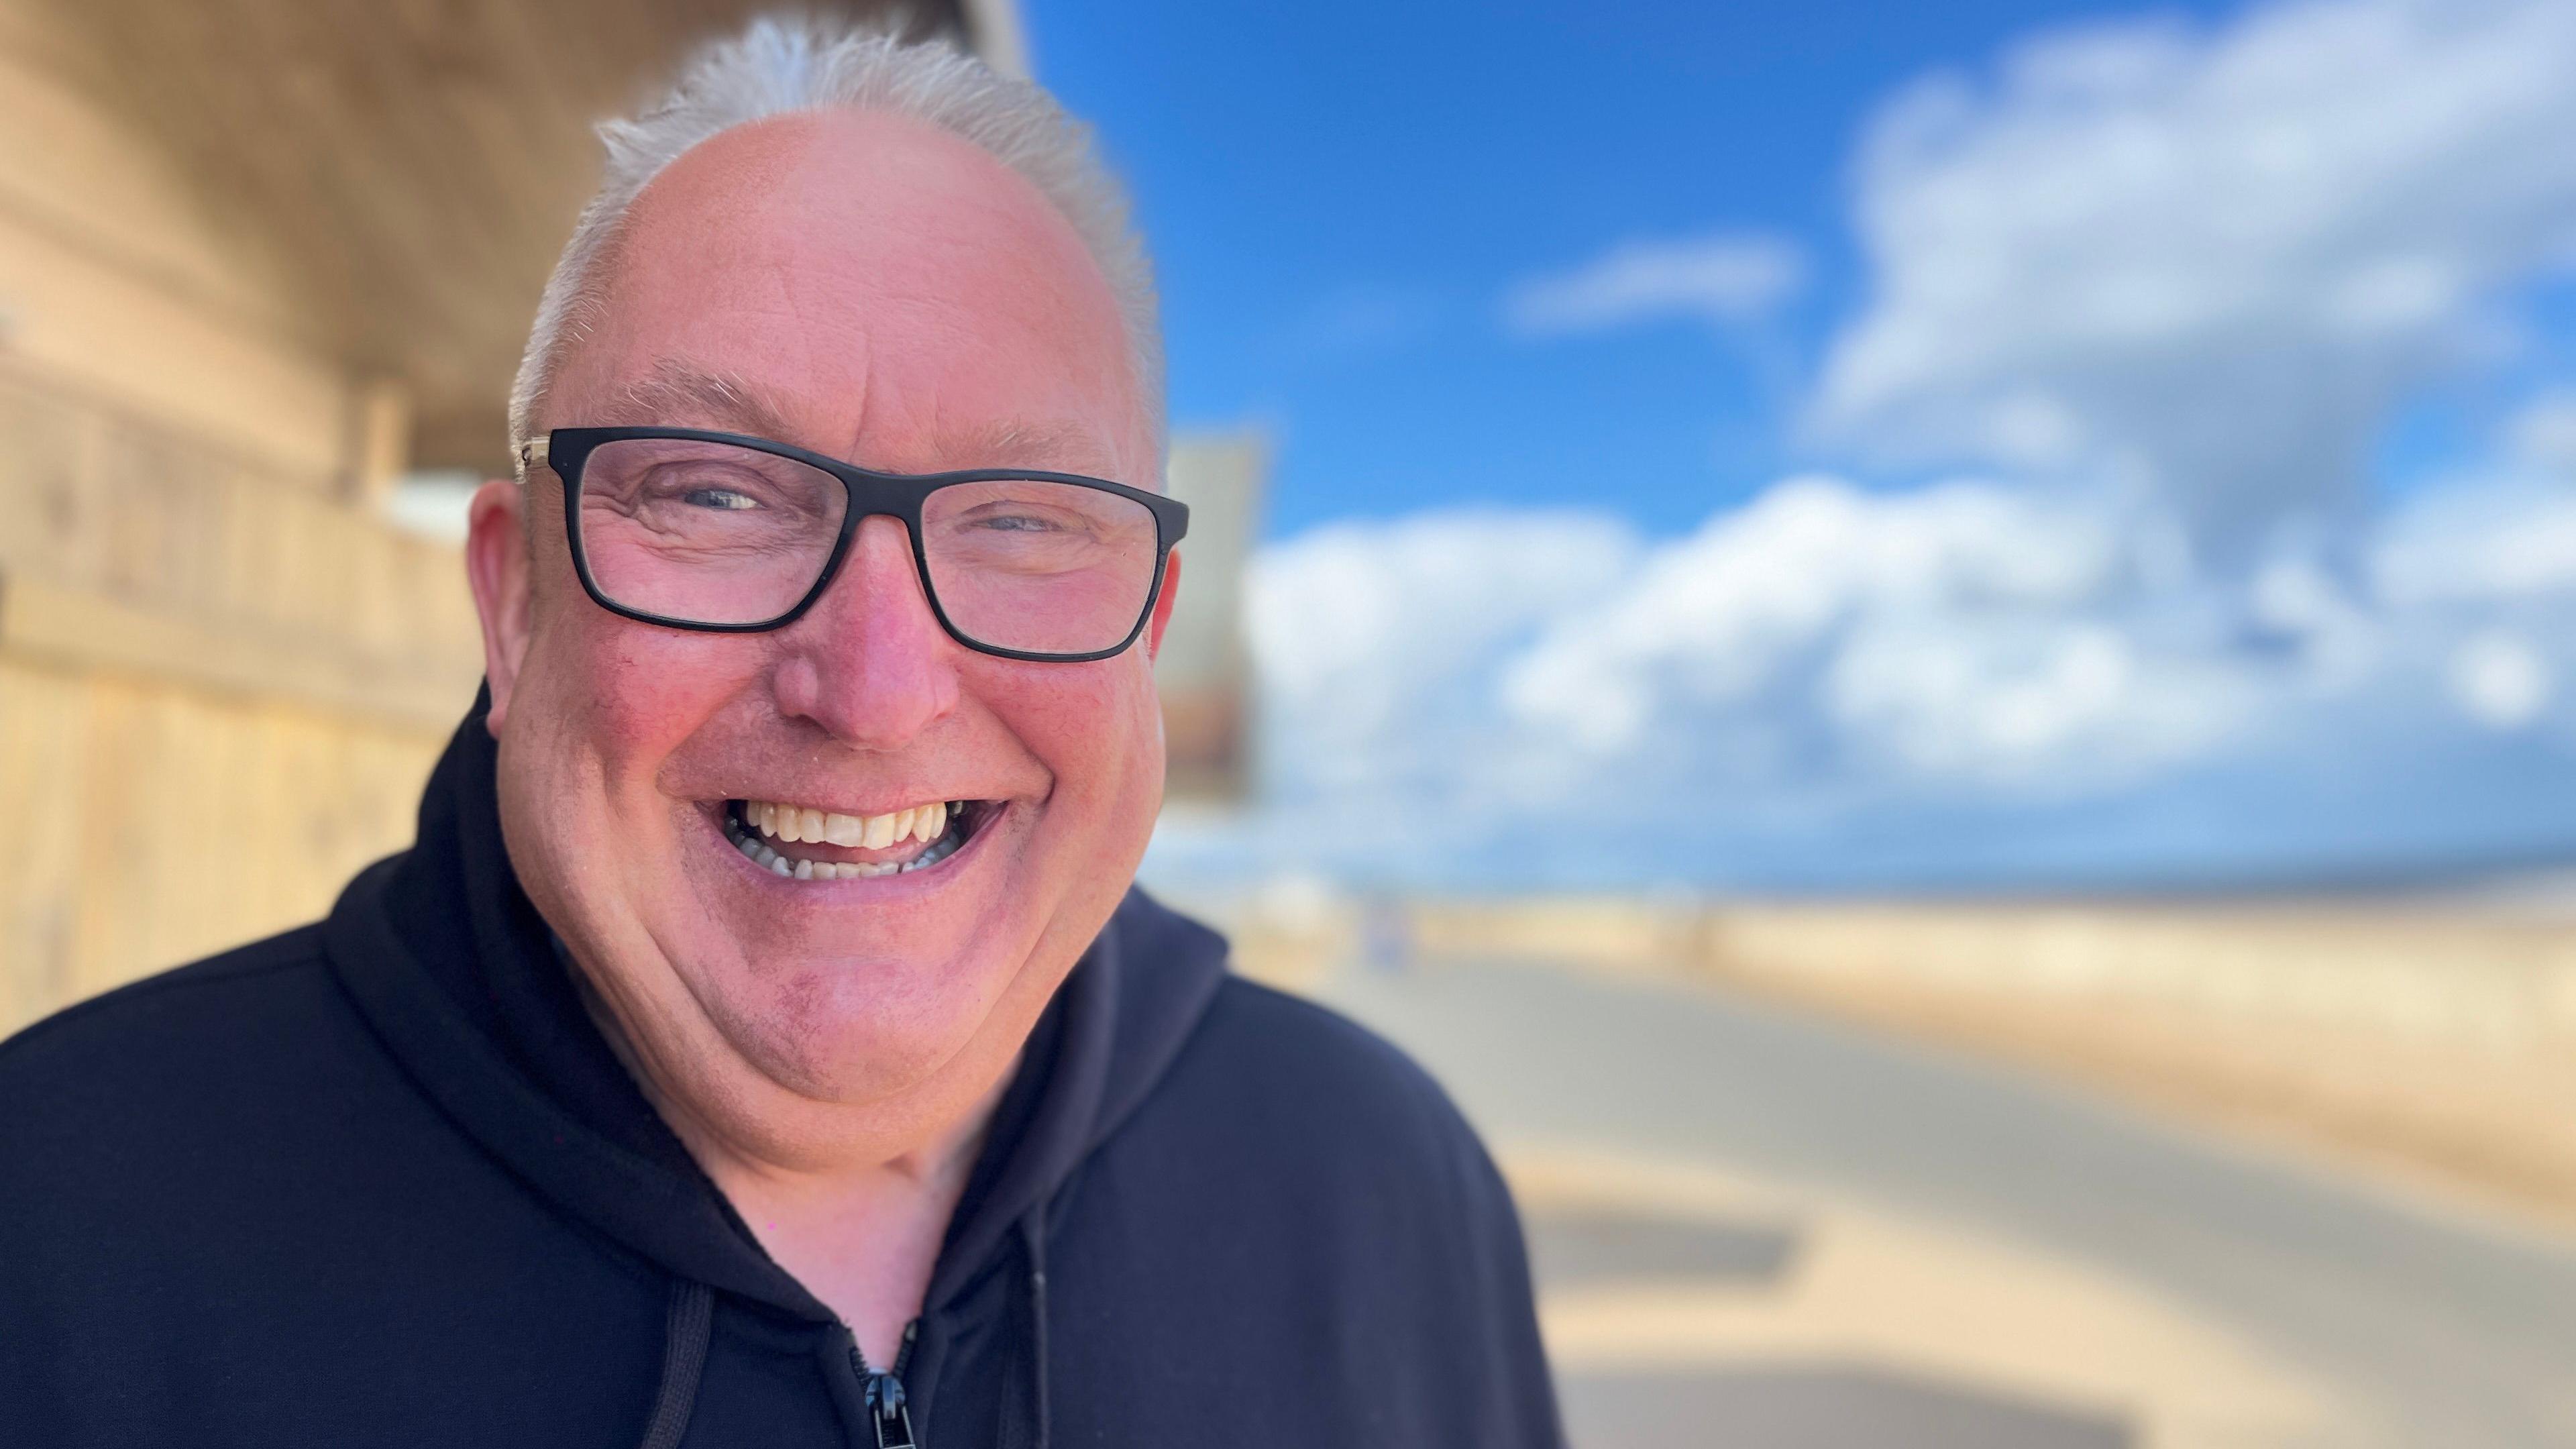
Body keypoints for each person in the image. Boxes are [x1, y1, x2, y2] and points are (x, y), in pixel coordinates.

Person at [0, 18, 1561, 1448]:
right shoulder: (59, 1230)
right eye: (716, 493)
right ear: (514, 601)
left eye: (1025, 521)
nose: (878, 691)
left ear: (1148, 631)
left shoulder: (1382, 1189)